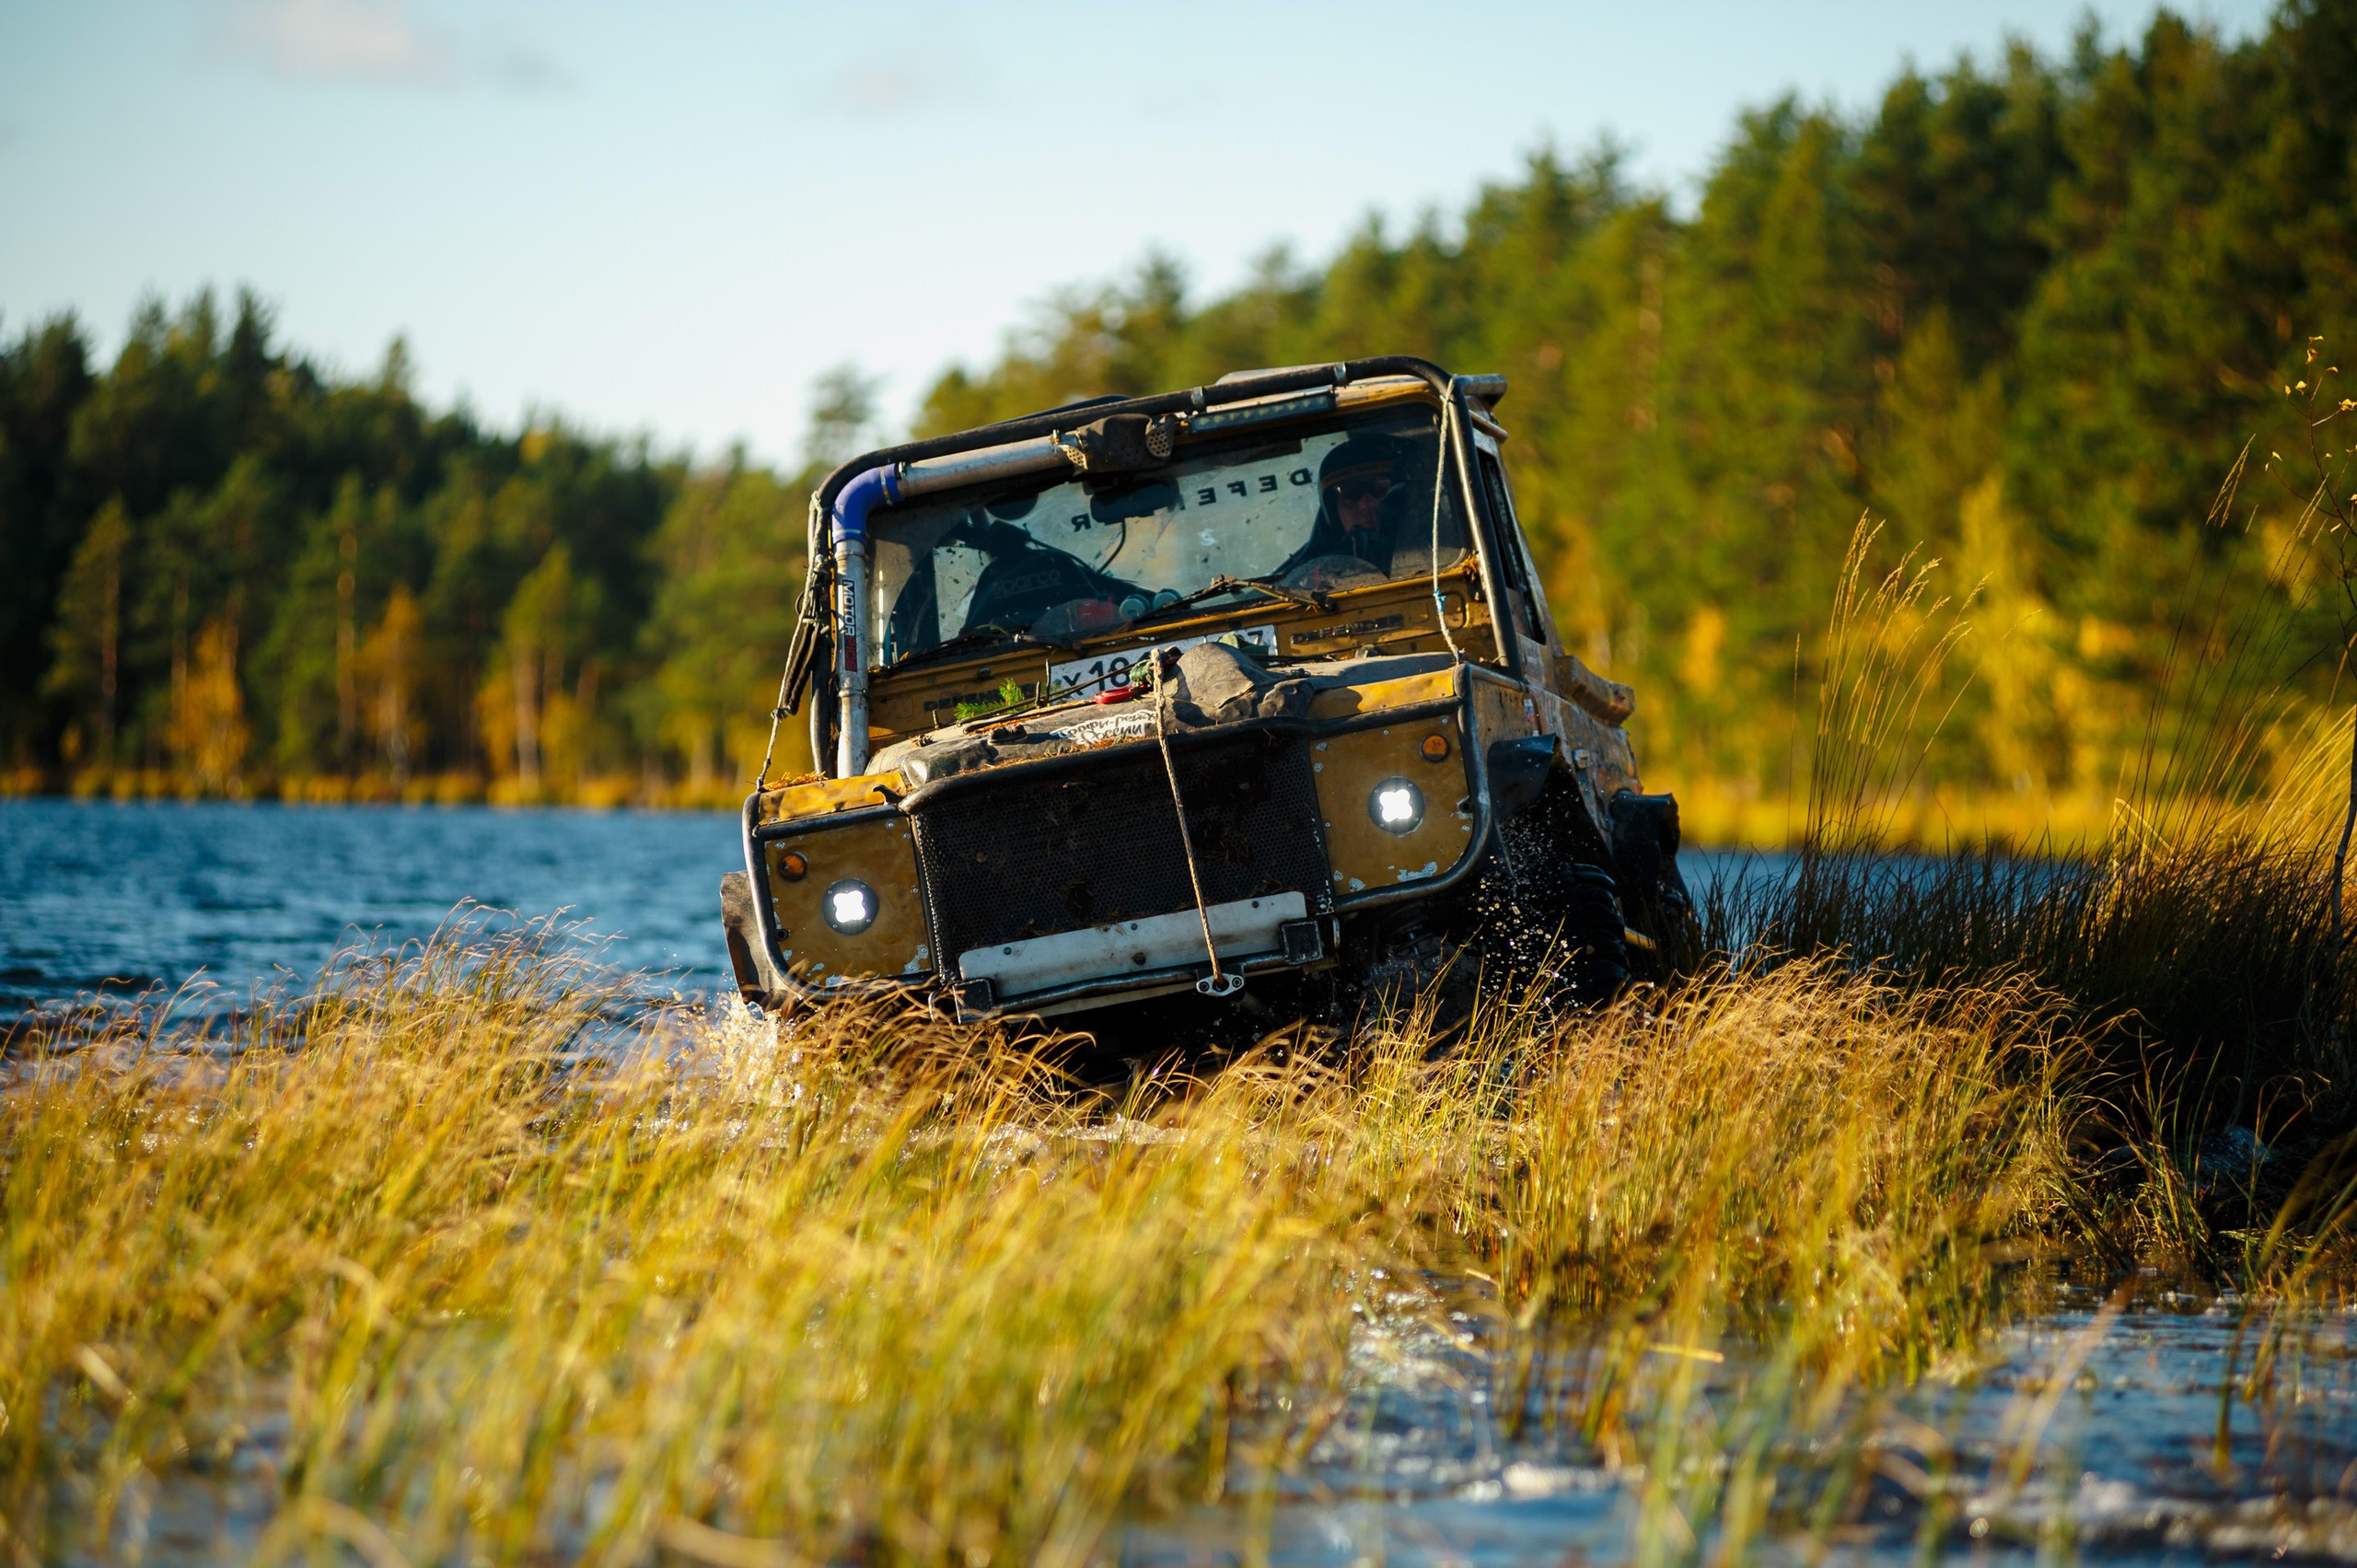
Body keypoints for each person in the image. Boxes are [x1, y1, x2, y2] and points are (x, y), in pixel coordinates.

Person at [1275, 434, 1418, 580]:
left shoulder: (1435, 546)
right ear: (1332, 510)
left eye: (1380, 488)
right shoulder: (1310, 575)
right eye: (1351, 494)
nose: (1365, 504)